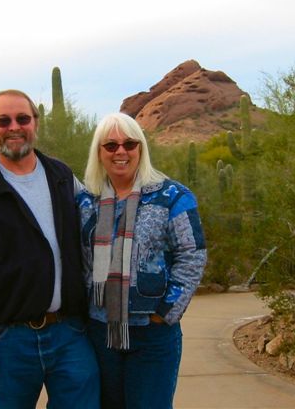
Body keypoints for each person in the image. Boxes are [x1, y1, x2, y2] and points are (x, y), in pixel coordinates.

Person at [0, 89, 100, 409]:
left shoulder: (62, 177)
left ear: (35, 123)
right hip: (9, 340)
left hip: (69, 332)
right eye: (3, 120)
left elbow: (97, 225)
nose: (14, 127)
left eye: (22, 118)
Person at [76, 112, 207, 409]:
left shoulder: (171, 196)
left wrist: (164, 313)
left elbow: (193, 254)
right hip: (99, 332)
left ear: (141, 149)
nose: (121, 151)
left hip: (152, 334)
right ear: (99, 152)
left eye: (129, 144)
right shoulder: (85, 201)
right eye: (110, 145)